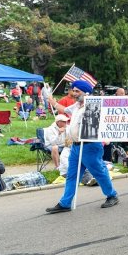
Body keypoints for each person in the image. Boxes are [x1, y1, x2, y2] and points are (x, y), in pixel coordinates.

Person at [45, 80, 119, 213]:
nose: (74, 93)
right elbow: (64, 110)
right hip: (76, 146)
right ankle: (65, 203)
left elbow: (94, 126)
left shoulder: (93, 106)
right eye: (73, 90)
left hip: (90, 146)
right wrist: (53, 102)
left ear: (87, 93)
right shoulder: (77, 105)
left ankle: (112, 195)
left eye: (77, 91)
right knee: (72, 175)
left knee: (99, 172)